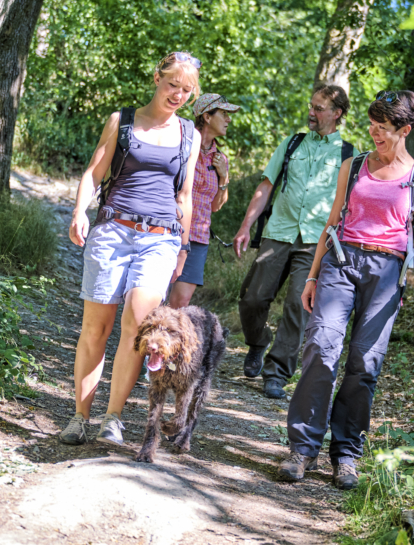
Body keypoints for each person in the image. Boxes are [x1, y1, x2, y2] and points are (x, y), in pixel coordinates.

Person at [278, 90, 414, 490]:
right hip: (341, 260)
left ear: (405, 130)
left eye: (383, 128)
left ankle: (346, 455)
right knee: (321, 346)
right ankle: (302, 448)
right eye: (372, 125)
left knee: (365, 364)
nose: (374, 133)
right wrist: (313, 276)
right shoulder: (353, 166)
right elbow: (331, 223)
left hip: (386, 274)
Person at [59, 52, 202, 446]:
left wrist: (184, 246)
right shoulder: (121, 121)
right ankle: (80, 417)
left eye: (186, 91)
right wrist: (79, 211)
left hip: (161, 238)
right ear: (157, 77)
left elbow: (185, 196)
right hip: (113, 231)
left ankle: (113, 417)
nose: (178, 95)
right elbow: (94, 173)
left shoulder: (191, 134)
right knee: (96, 328)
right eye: (172, 84)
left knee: (138, 324)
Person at [232, 85, 355, 399]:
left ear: (337, 113)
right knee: (252, 298)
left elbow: (350, 205)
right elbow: (266, 186)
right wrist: (246, 226)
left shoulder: (348, 155)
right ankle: (258, 341)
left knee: (297, 306)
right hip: (279, 231)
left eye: (319, 108)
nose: (311, 113)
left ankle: (276, 373)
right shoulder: (292, 143)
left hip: (316, 242)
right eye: (311, 106)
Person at [168, 93, 240, 308]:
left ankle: (165, 341)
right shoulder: (180, 144)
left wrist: (224, 176)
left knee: (181, 301)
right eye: (224, 114)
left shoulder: (221, 158)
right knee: (154, 294)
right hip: (168, 229)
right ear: (207, 116)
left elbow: (216, 206)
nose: (228, 119)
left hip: (198, 236)